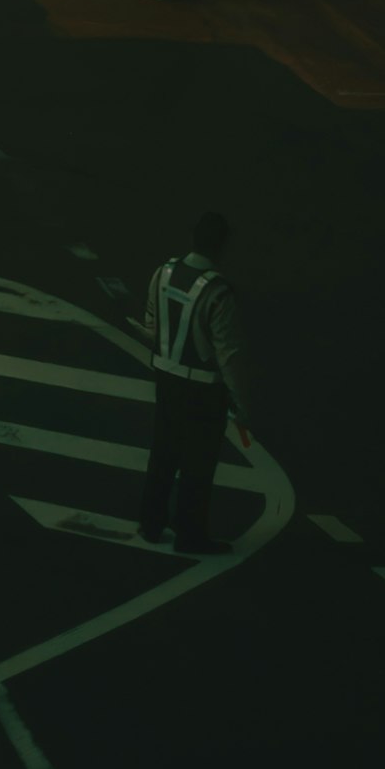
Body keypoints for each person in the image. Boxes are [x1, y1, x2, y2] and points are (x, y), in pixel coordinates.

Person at [137, 215, 248, 550]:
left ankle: (151, 524)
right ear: (222, 245)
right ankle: (190, 534)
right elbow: (228, 354)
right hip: (203, 391)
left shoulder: (163, 272)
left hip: (166, 381)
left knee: (163, 453)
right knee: (198, 465)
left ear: (192, 238)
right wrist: (241, 404)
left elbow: (152, 326)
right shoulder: (218, 291)